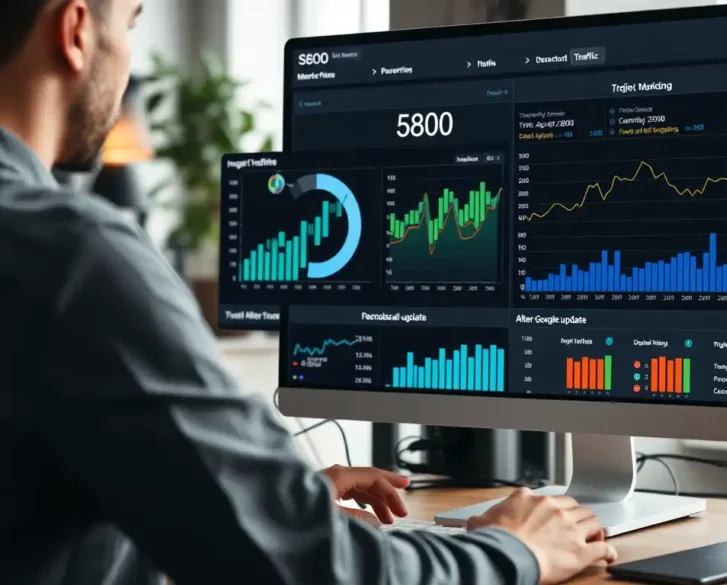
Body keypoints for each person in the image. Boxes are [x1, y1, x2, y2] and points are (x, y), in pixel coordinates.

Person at [0, 1, 617, 584]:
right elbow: (312, 573)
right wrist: (515, 550)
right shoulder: (68, 255)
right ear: (77, 30)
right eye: (130, 24)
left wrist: (257, 503)